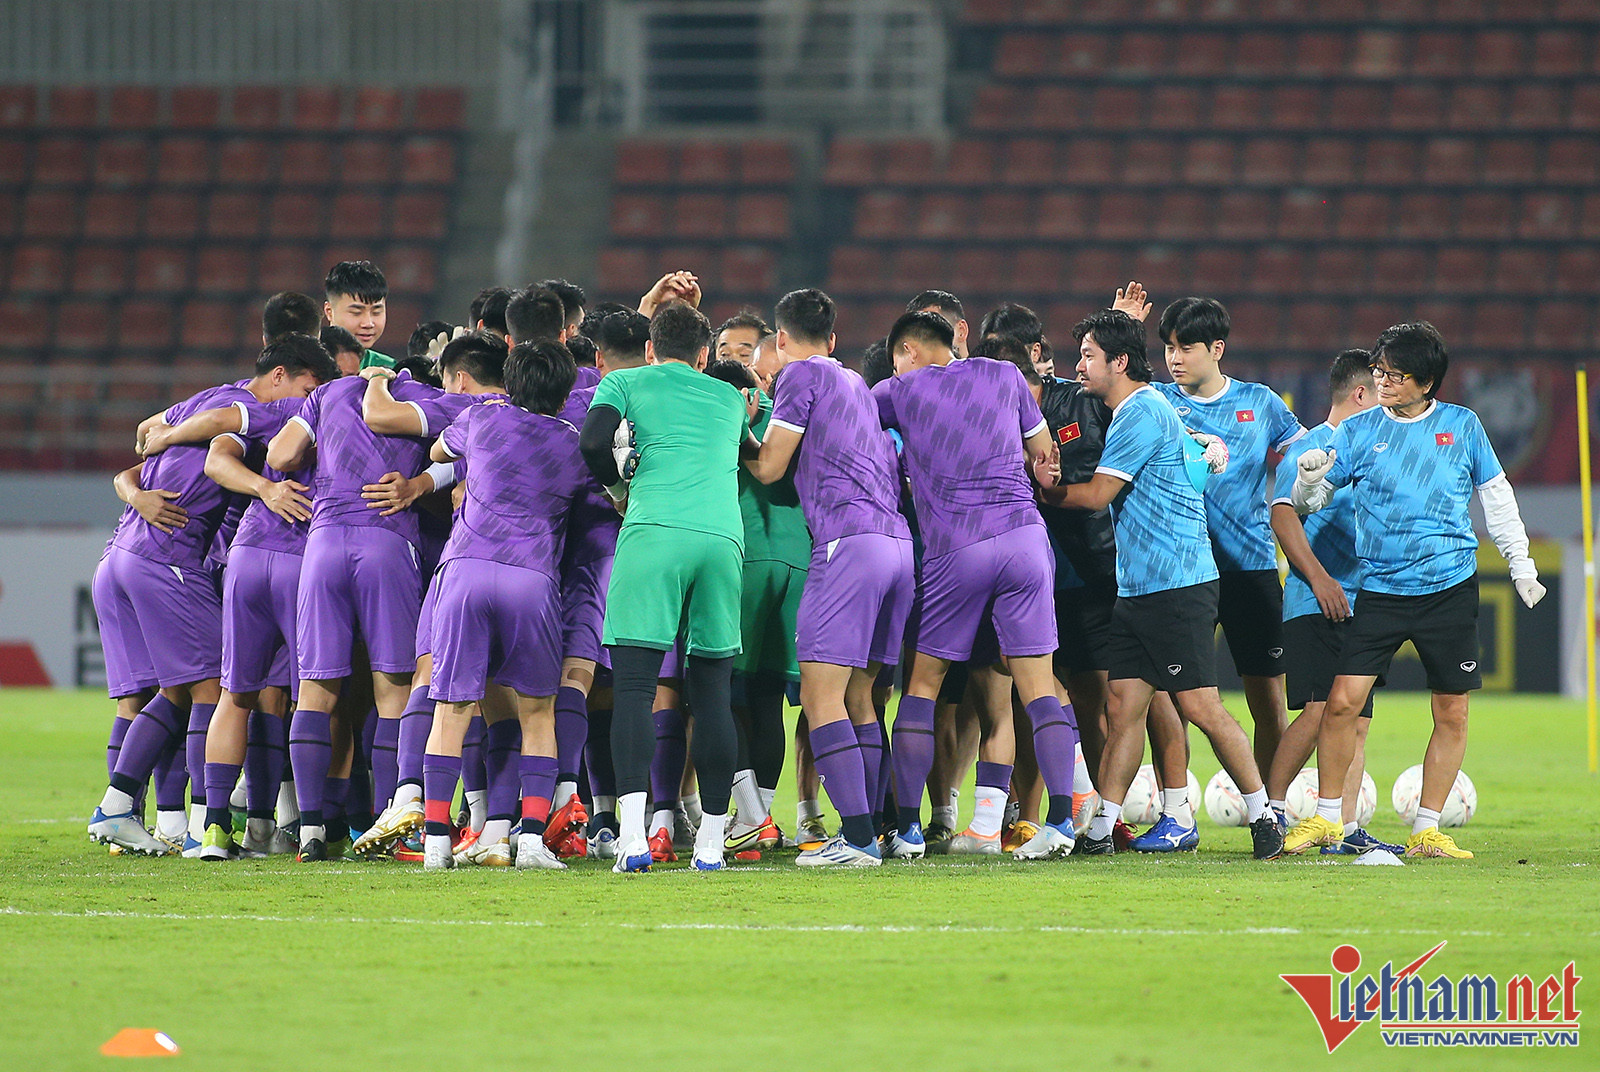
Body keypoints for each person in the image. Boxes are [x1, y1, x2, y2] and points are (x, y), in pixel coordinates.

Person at [1285, 322, 1545, 859]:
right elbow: (1310, 503)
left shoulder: (1462, 426)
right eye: (1379, 372)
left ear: (1426, 383)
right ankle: (1328, 820)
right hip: (1380, 589)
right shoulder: (1357, 431)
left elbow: (1496, 496)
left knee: (1451, 711)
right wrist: (1307, 482)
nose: (1382, 382)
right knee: (1342, 703)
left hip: (1448, 589)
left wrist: (1521, 563)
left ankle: (1426, 829)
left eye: (1395, 375)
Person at [1044, 309, 1284, 860]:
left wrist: (1040, 492)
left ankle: (1263, 815)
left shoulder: (1141, 412)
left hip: (1176, 585)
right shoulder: (1139, 407)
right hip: (1140, 588)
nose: (1079, 366)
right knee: (1124, 707)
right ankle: (1101, 831)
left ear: (1118, 362)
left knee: (1200, 705)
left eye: (1088, 356)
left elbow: (1097, 496)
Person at [87, 341, 334, 855]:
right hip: (167, 558)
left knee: (164, 691)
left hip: (124, 553)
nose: (309, 399)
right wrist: (263, 486)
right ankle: (191, 823)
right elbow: (220, 437)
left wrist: (143, 482)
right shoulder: (258, 409)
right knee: (210, 689)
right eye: (308, 387)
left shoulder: (202, 398)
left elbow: (141, 439)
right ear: (280, 375)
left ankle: (142, 813)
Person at [873, 310, 1080, 861]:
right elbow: (1044, 455)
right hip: (1024, 540)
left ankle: (908, 830)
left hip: (957, 548)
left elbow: (851, 427)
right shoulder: (1006, 375)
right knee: (1039, 687)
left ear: (909, 351)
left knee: (923, 687)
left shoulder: (897, 390)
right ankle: (1061, 824)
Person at [578, 301, 752, 872]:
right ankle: (710, 844)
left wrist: (619, 489)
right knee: (713, 693)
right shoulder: (729, 397)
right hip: (722, 539)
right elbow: (748, 450)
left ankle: (633, 839)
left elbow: (592, 443)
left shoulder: (625, 380)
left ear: (651, 348)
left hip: (654, 530)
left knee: (634, 689)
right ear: (704, 355)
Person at [745, 289, 914, 866]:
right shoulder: (856, 384)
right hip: (897, 545)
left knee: (820, 698)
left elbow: (769, 466)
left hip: (848, 544)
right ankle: (876, 831)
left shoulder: (799, 374)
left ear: (781, 339)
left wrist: (737, 430)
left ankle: (858, 839)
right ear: (834, 338)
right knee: (861, 695)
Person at [419, 342, 590, 870]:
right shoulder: (574, 442)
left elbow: (437, 453)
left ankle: (436, 842)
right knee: (537, 711)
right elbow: (603, 499)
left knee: (451, 709)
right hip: (531, 578)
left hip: (466, 570)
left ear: (511, 382)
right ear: (564, 393)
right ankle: (532, 841)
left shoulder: (481, 418)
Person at [345, 333, 510, 857]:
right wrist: (423, 484)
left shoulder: (464, 407)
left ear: (458, 378)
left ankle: (410, 798)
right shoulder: (539, 416)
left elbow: (383, 417)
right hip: (536, 571)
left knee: (429, 672)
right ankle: (498, 824)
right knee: (512, 699)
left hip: (463, 560)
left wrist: (377, 378)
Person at [1154, 296, 1305, 794]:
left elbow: (1306, 452)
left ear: (1216, 349)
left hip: (1250, 569)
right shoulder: (1156, 402)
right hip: (1182, 572)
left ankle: (1272, 808)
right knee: (1175, 701)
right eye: (1168, 348)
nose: (1175, 358)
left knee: (1268, 700)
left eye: (1186, 348)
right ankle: (1175, 810)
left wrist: (1299, 492)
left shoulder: (1260, 403)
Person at [1267, 349, 1402, 856]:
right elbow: (1282, 515)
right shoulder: (1311, 448)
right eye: (1382, 390)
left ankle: (1343, 828)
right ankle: (1269, 812)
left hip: (1363, 603)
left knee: (1357, 722)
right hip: (1315, 600)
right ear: (1361, 394)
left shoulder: (1371, 449)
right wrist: (1321, 579)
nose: (1389, 401)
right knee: (1320, 711)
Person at [708, 352, 807, 854]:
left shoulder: (717, 415)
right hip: (801, 561)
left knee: (719, 688)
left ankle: (751, 817)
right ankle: (760, 818)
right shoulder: (789, 415)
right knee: (768, 698)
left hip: (747, 558)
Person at [323, 260, 393, 369]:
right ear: (329, 311)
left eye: (376, 312)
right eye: (356, 313)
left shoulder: (390, 368)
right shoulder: (306, 366)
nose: (368, 323)